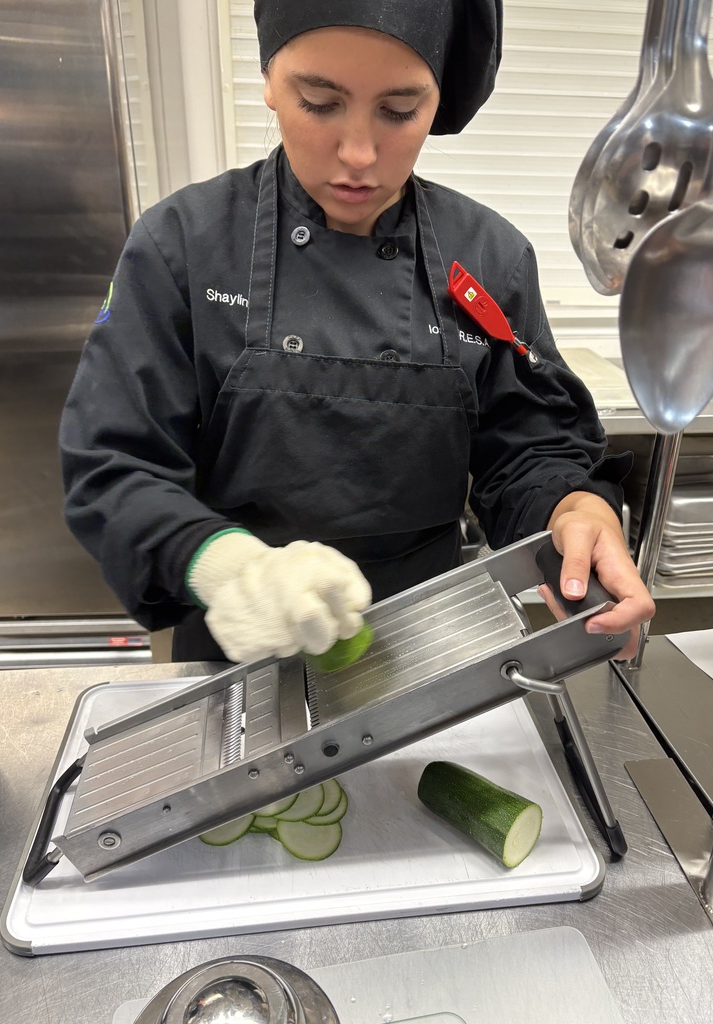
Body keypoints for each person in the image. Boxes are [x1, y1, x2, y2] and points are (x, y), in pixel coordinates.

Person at [59, 0, 655, 665]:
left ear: (437, 103)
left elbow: (529, 450)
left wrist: (575, 510)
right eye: (318, 102)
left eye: (400, 112)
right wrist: (227, 570)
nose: (359, 153)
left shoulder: (489, 257)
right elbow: (114, 466)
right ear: (268, 80)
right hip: (235, 649)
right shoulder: (182, 247)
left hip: (429, 642)